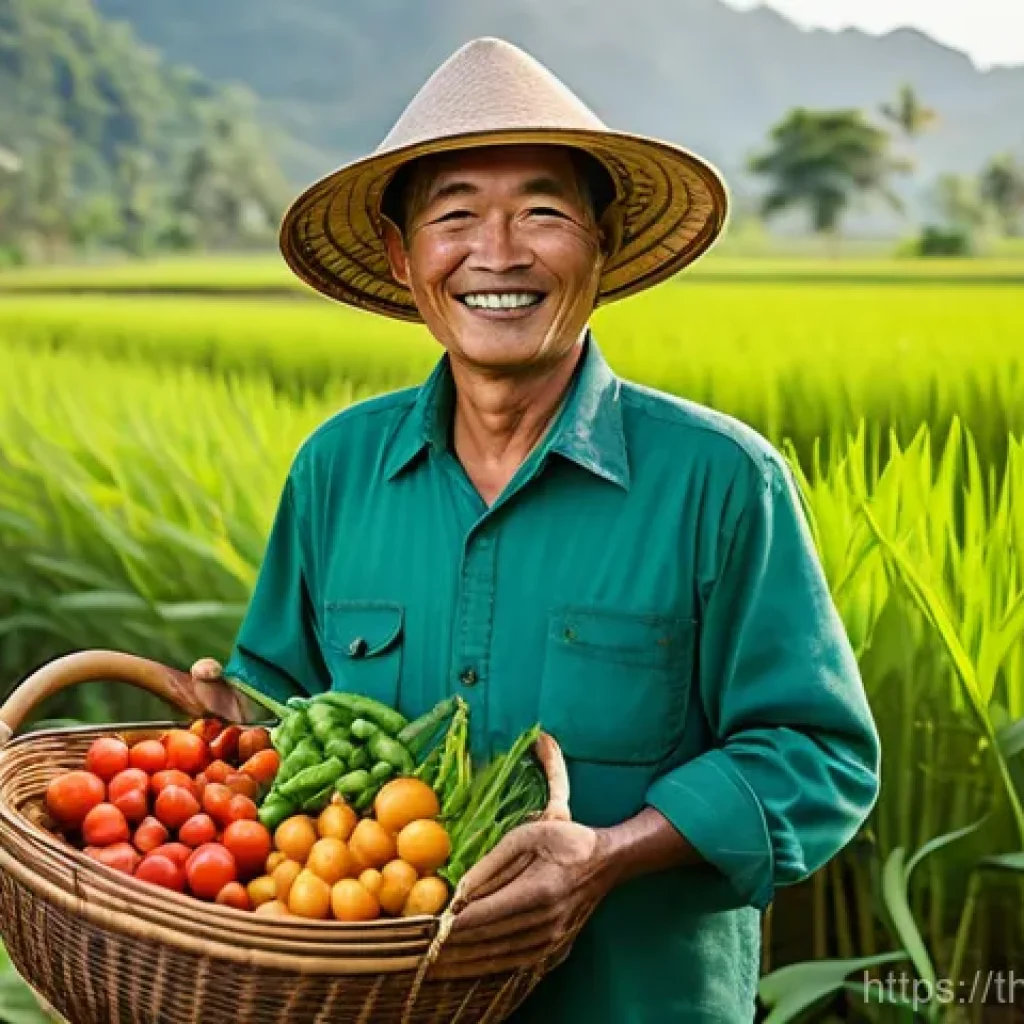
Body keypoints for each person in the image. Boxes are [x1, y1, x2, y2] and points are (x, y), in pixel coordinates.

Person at [192, 37, 881, 1023]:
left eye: (543, 212)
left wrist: (608, 854)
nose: (499, 252)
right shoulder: (336, 470)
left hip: (633, 999)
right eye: (456, 214)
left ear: (601, 244)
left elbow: (818, 754)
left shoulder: (720, 482)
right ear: (403, 256)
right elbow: (278, 715)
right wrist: (224, 719)